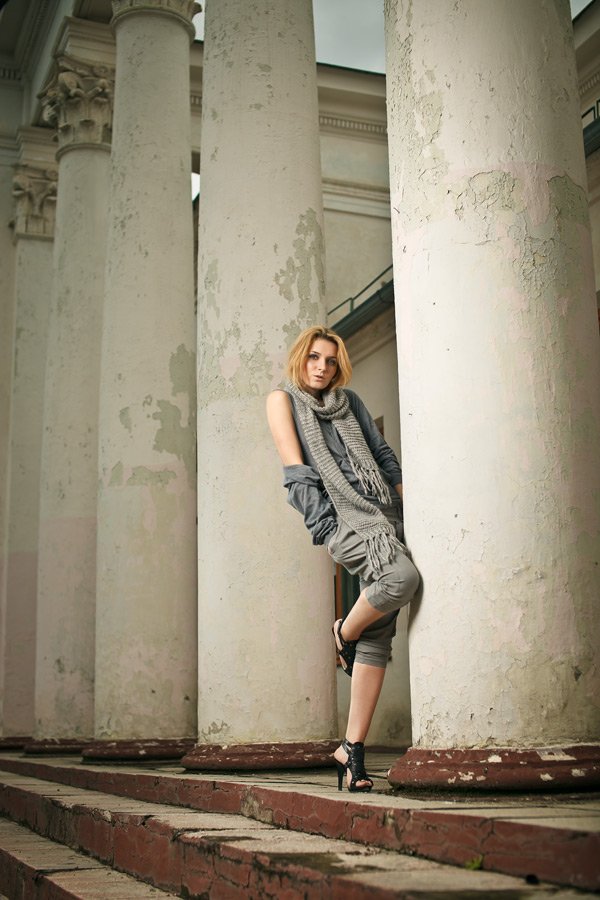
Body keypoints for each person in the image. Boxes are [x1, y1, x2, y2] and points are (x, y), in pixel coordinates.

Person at [266, 325, 420, 792]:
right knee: (400, 580)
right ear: (301, 358)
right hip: (344, 521)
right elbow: (296, 473)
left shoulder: (349, 402)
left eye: (330, 361)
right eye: (314, 357)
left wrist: (408, 507)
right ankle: (344, 631)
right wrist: (327, 527)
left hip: (385, 514)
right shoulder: (282, 400)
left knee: (379, 636)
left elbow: (383, 455)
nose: (322, 367)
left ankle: (351, 753)